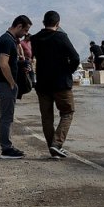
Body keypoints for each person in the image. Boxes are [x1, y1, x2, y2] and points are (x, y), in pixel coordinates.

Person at [31, 11, 81, 159]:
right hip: (61, 84)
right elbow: (76, 57)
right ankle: (56, 144)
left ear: (43, 22)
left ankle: (52, 147)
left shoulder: (35, 39)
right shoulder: (61, 37)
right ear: (58, 24)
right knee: (67, 112)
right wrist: (68, 71)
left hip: (43, 84)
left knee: (47, 118)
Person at [0, 15, 33, 159]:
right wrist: (11, 83)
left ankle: (7, 146)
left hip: (4, 83)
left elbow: (9, 62)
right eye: (25, 30)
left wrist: (21, 65)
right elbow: (3, 64)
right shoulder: (6, 40)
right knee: (6, 117)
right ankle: (6, 149)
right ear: (19, 26)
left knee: (7, 116)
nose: (26, 34)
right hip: (3, 84)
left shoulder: (10, 40)